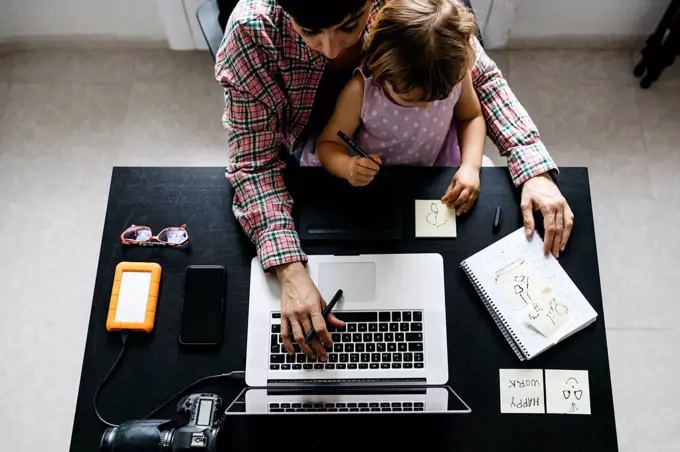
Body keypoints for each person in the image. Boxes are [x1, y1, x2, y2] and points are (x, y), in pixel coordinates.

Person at [215, 0, 574, 363]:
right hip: (311, 174)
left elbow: (479, 79)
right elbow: (254, 164)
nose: (332, 49)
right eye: (308, 32)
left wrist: (534, 170)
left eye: (349, 24)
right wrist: (289, 271)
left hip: (418, 170)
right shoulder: (251, 32)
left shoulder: (415, 6)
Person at [304, 0, 485, 215]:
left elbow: (471, 117)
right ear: (381, 73)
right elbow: (329, 144)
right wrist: (348, 167)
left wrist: (471, 167)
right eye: (409, 100)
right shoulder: (361, 91)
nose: (426, 107)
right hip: (370, 184)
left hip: (430, 171)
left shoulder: (455, 74)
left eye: (440, 97)